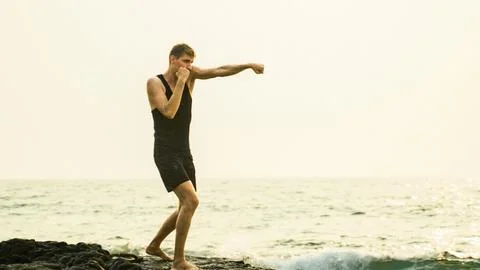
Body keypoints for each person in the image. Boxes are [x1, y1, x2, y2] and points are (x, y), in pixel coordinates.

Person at [145, 43, 264, 270]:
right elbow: (169, 112)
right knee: (191, 201)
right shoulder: (155, 83)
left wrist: (247, 65)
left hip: (184, 152)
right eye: (185, 61)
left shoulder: (192, 75)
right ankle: (179, 261)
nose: (189, 66)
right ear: (172, 59)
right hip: (165, 152)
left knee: (185, 205)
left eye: (191, 62)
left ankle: (154, 245)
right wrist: (181, 82)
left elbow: (219, 70)